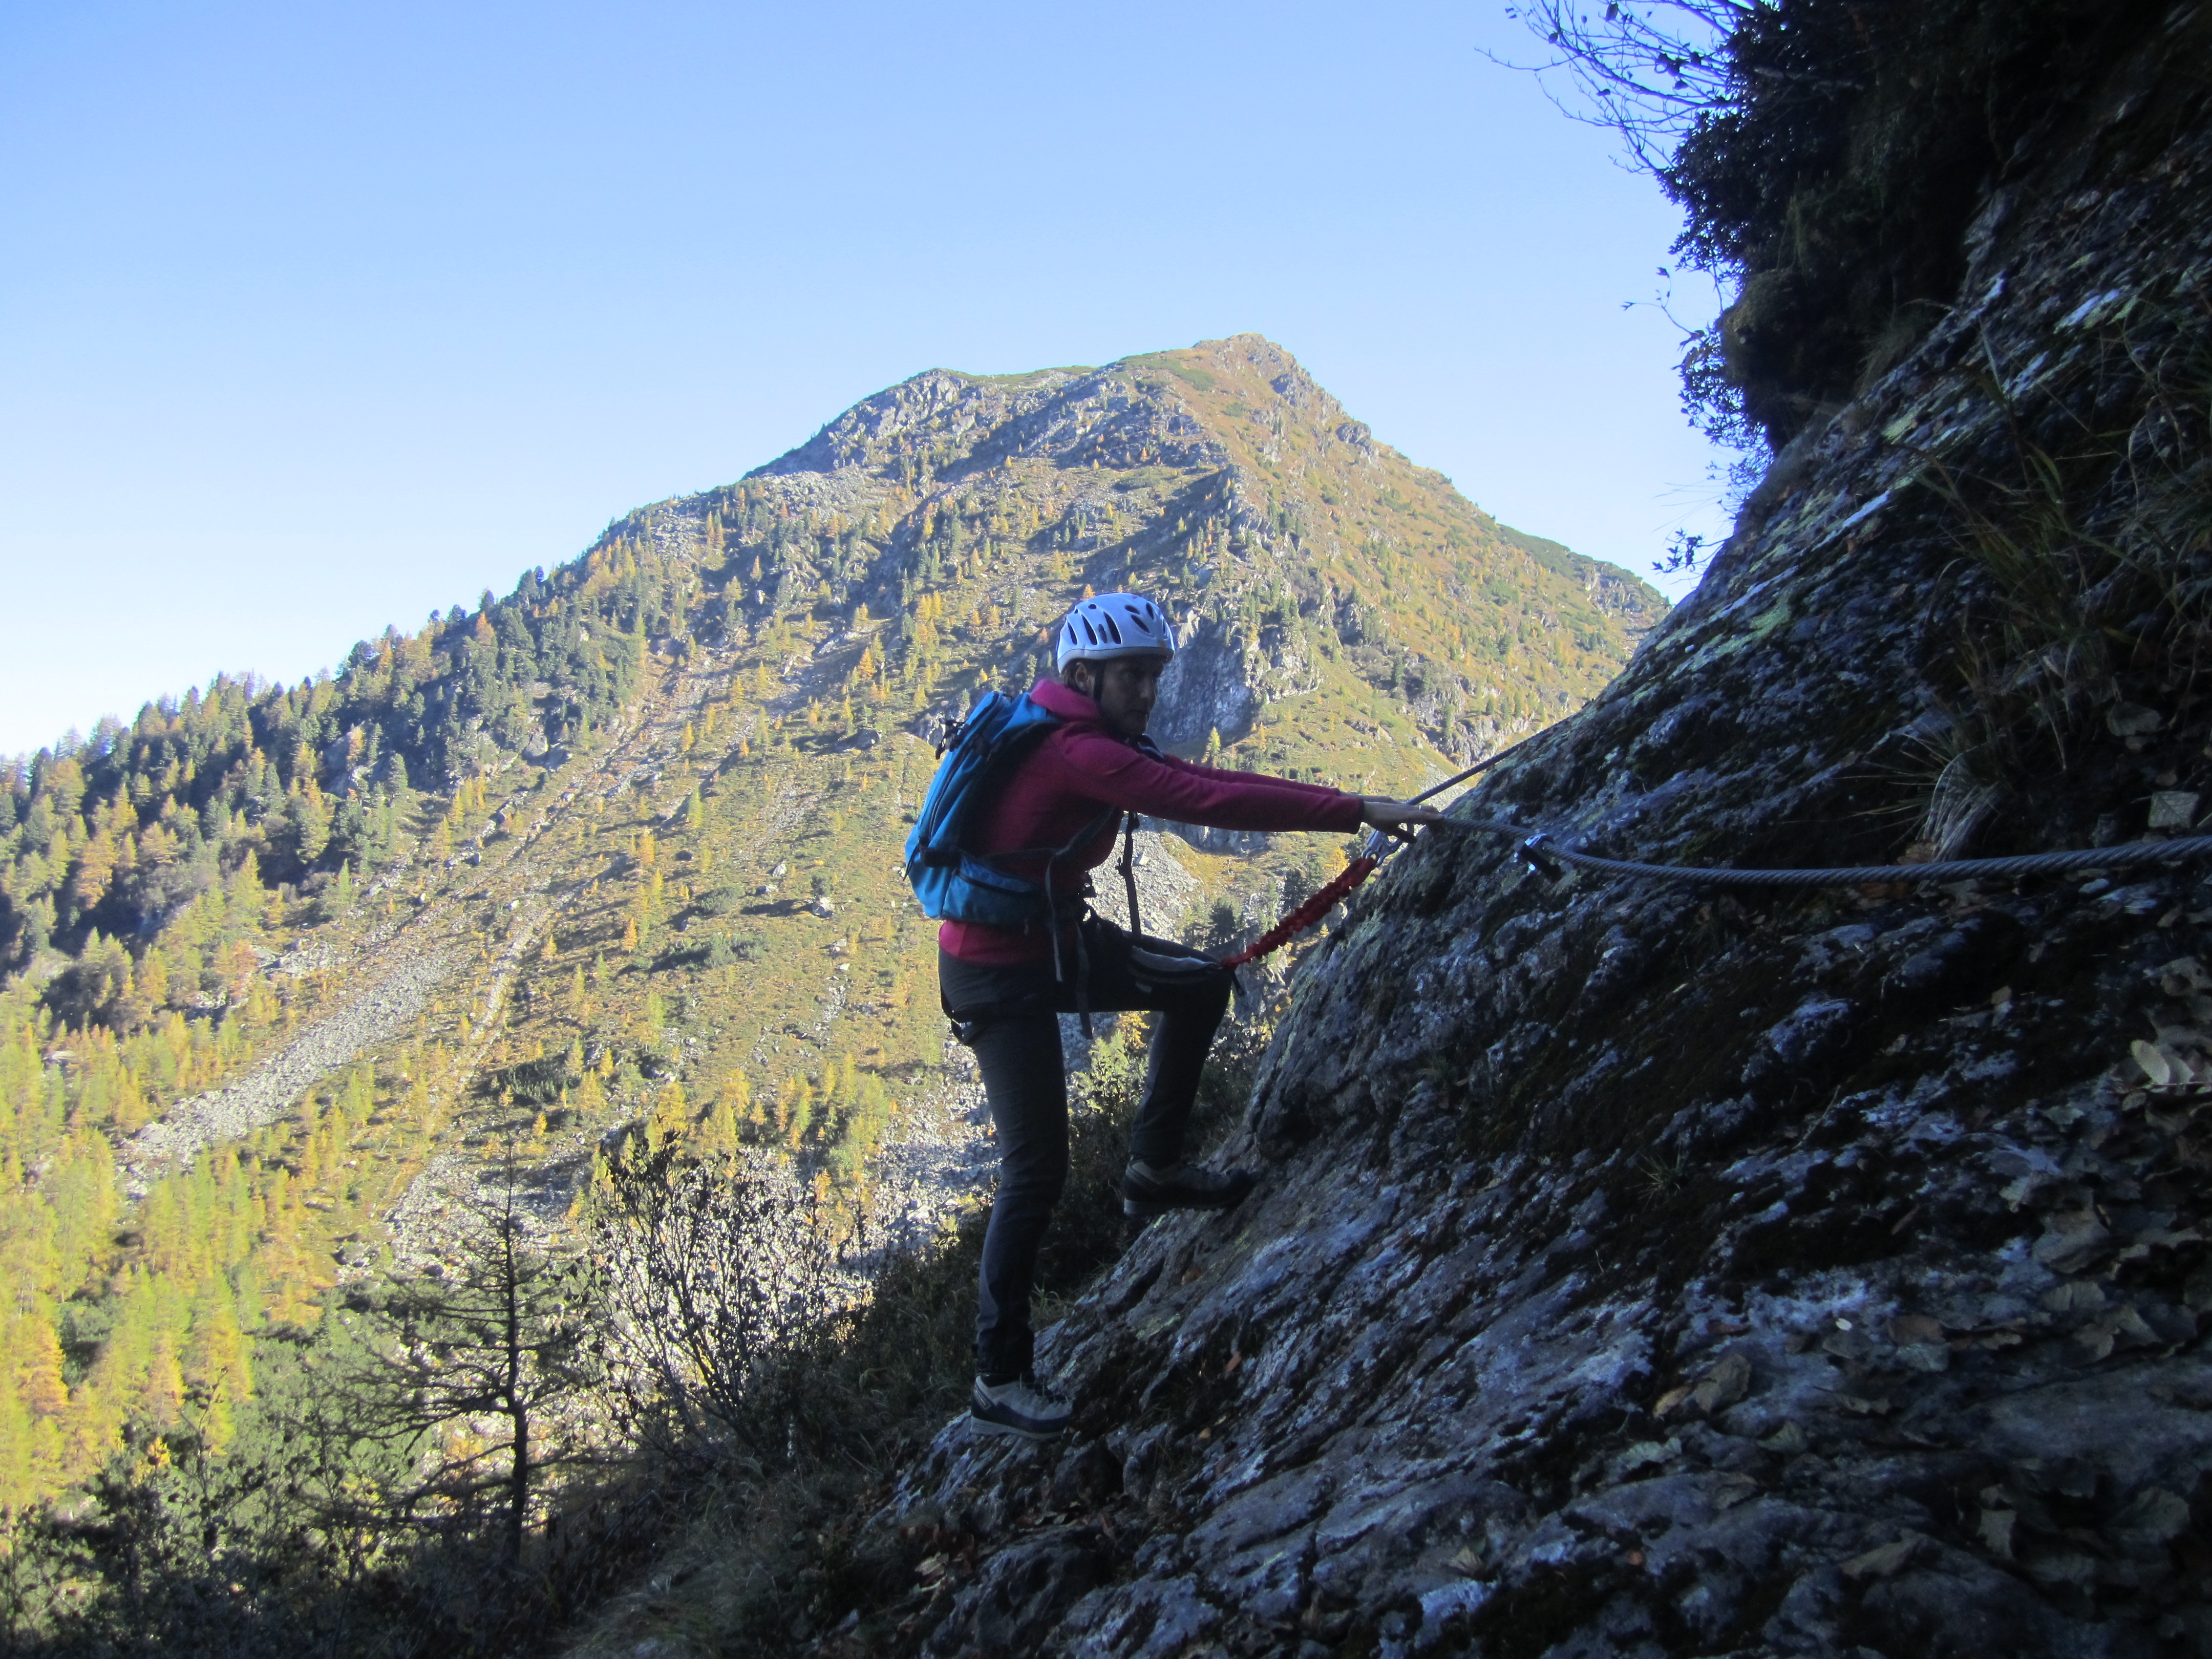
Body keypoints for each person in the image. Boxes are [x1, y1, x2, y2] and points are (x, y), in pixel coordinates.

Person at [944, 592, 1443, 1440]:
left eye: (1153, 674)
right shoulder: (1075, 750)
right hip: (998, 973)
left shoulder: (1079, 735)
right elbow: (1207, 800)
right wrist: (1355, 810)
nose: (1147, 690)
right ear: (1082, 676)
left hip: (1054, 938)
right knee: (1036, 1170)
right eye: (1130, 675)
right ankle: (999, 1376)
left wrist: (1354, 804)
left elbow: (1203, 778)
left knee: (1199, 983)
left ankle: (1155, 1169)